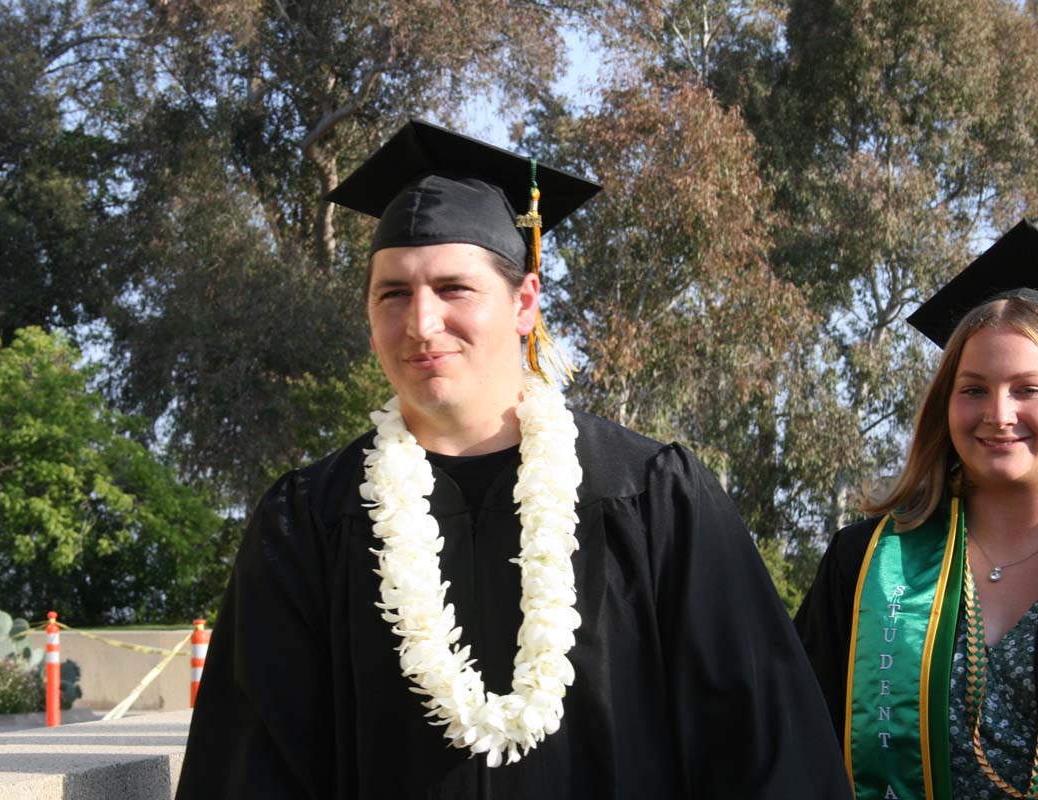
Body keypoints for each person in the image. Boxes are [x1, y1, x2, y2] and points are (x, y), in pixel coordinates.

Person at [176, 119, 850, 799]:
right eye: (393, 293)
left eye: (453, 288)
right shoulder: (308, 523)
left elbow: (765, 749)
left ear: (524, 302)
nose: (421, 323)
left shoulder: (651, 497)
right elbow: (251, 770)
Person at [795, 219, 1038, 800]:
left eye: (1028, 389)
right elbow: (798, 738)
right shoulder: (870, 563)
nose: (998, 415)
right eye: (974, 389)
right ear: (944, 405)